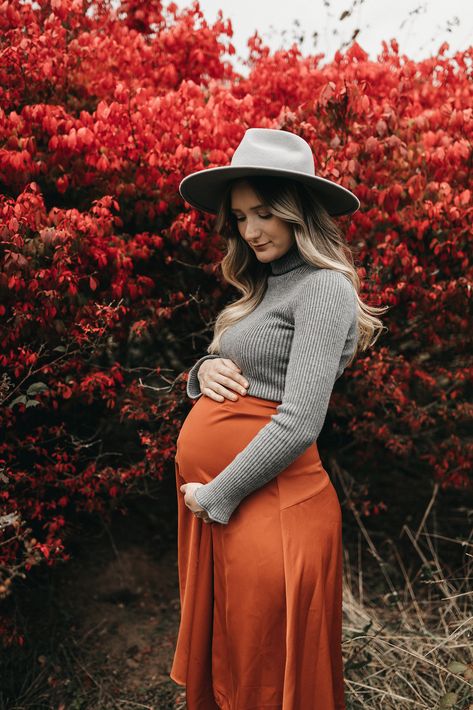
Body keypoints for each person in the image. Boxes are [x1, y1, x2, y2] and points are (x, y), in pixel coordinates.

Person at [169, 128, 386, 709]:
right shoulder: (262, 288)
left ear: (297, 213)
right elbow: (245, 369)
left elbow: (299, 421)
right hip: (234, 502)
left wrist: (218, 494)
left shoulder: (323, 288)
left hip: (274, 505)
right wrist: (202, 371)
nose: (250, 229)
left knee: (265, 675)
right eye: (239, 217)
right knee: (231, 663)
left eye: (264, 213)